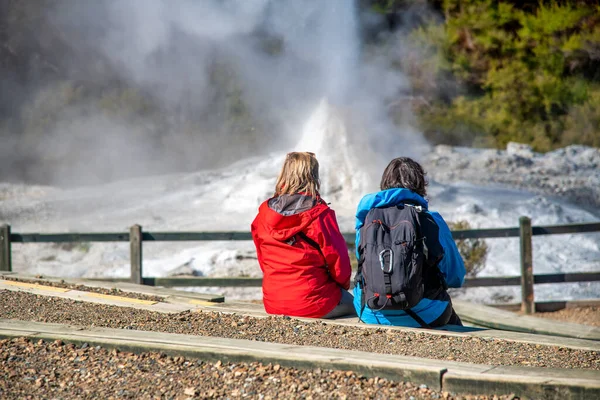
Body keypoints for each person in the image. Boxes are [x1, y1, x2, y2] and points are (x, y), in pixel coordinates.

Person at [353, 157, 466, 327]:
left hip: (371, 312)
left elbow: (362, 265)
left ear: (385, 183)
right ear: (420, 184)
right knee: (455, 327)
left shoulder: (367, 219)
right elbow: (455, 277)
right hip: (424, 315)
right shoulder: (431, 220)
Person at [251, 152, 355, 319]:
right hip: (314, 303)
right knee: (360, 309)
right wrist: (342, 286)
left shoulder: (263, 215)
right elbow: (338, 261)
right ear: (313, 176)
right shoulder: (320, 214)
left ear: (284, 173)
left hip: (273, 302)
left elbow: (263, 259)